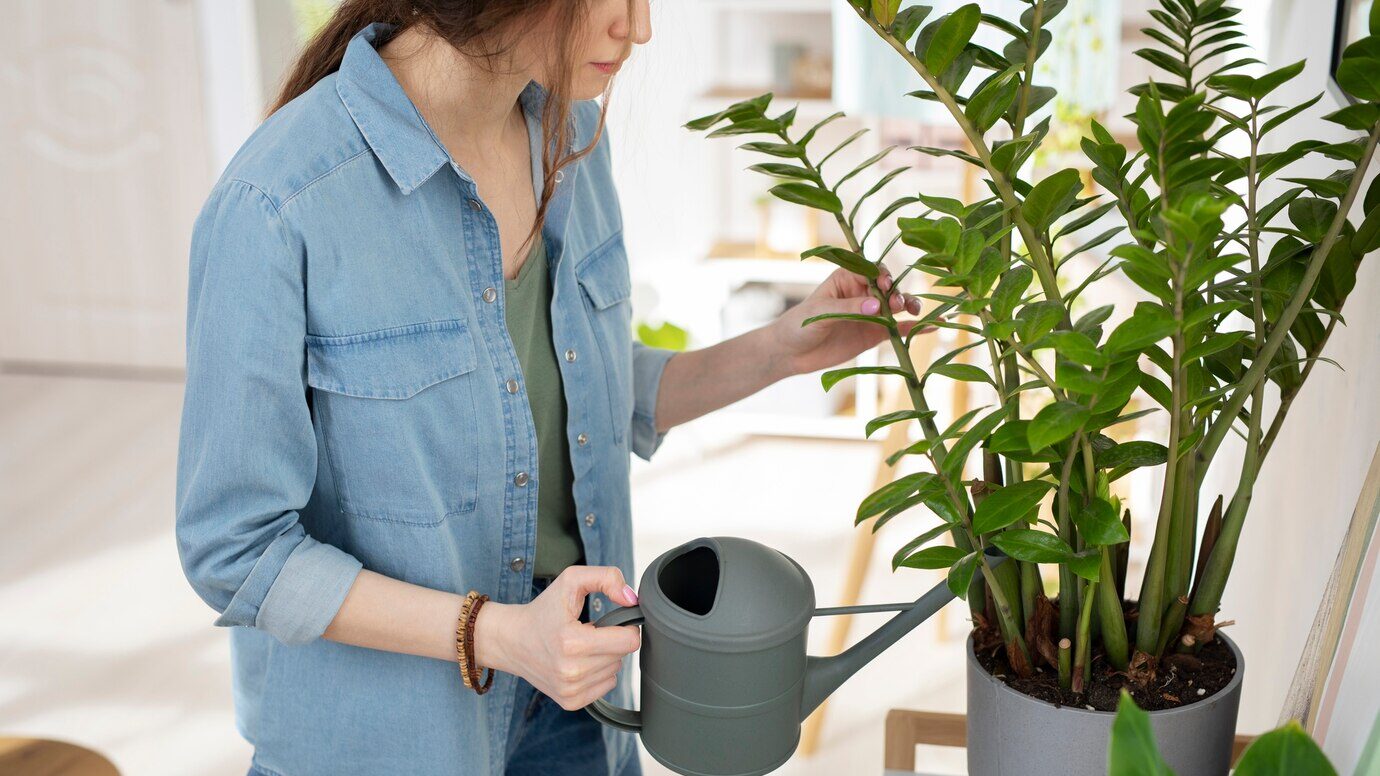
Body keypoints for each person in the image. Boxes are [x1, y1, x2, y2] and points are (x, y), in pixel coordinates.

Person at [174, 1, 923, 774]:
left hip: (579, 703)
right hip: (392, 737)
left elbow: (582, 394)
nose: (639, 29)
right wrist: (497, 635)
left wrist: (780, 350)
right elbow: (237, 547)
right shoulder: (278, 204)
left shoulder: (570, 140)